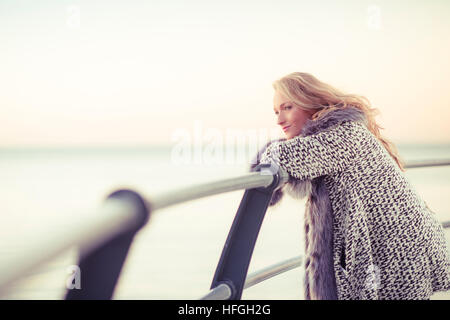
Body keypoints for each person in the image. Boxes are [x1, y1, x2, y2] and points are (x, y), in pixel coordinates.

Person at [250, 72, 450, 300]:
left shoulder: (343, 136)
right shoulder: (338, 133)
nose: (279, 120)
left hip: (399, 254)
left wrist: (261, 172)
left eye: (287, 108)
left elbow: (281, 156)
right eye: (276, 111)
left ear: (310, 103)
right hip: (397, 248)